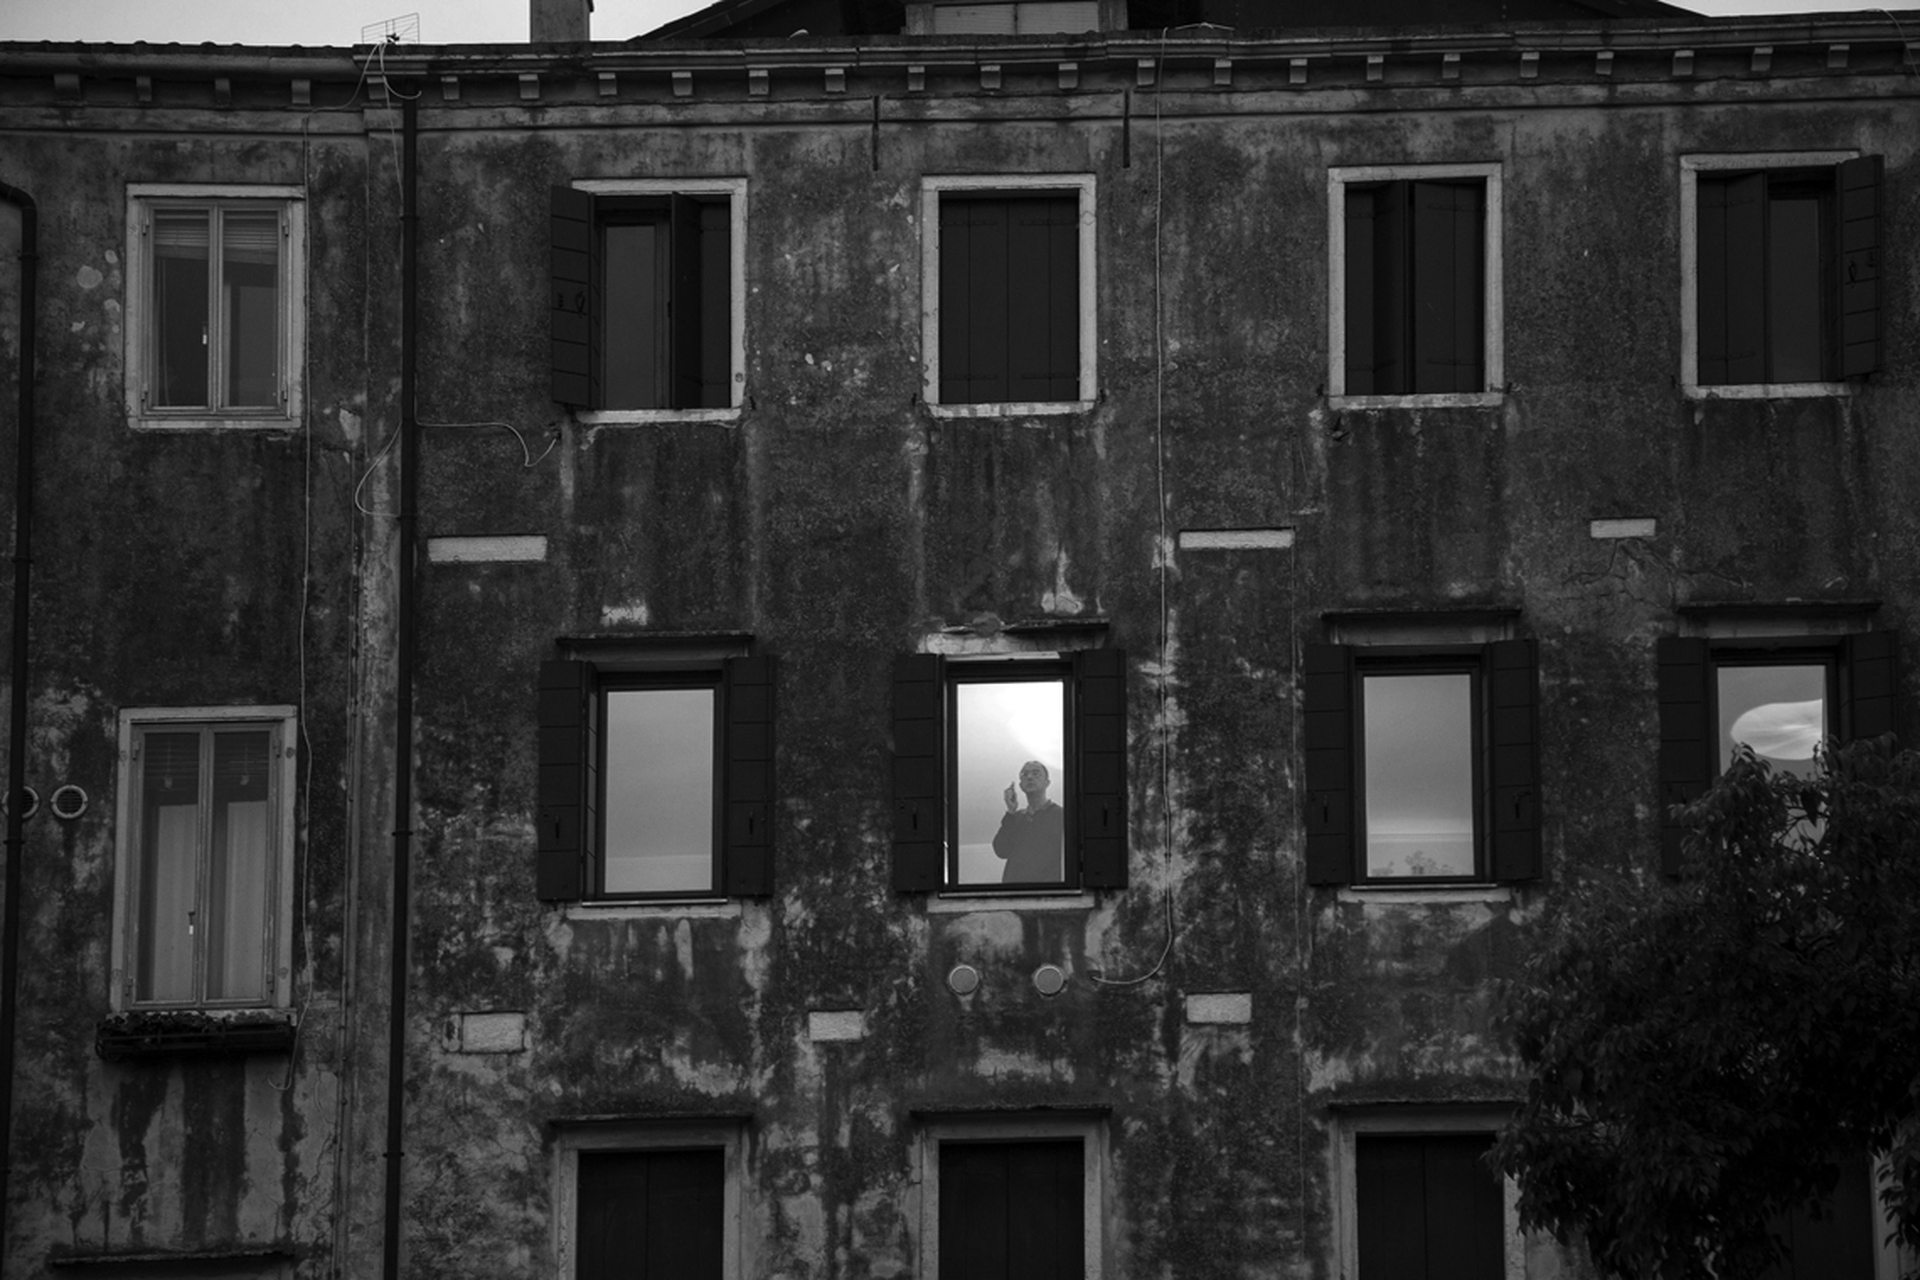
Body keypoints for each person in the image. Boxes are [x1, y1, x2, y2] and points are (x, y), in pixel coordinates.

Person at [992, 759, 1063, 884]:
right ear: (1020, 785)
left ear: (1047, 782)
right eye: (1024, 774)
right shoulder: (1015, 818)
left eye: (1036, 773)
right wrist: (1011, 812)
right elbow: (1001, 850)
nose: (1029, 777)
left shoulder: (1061, 815)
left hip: (1048, 890)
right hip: (1015, 891)